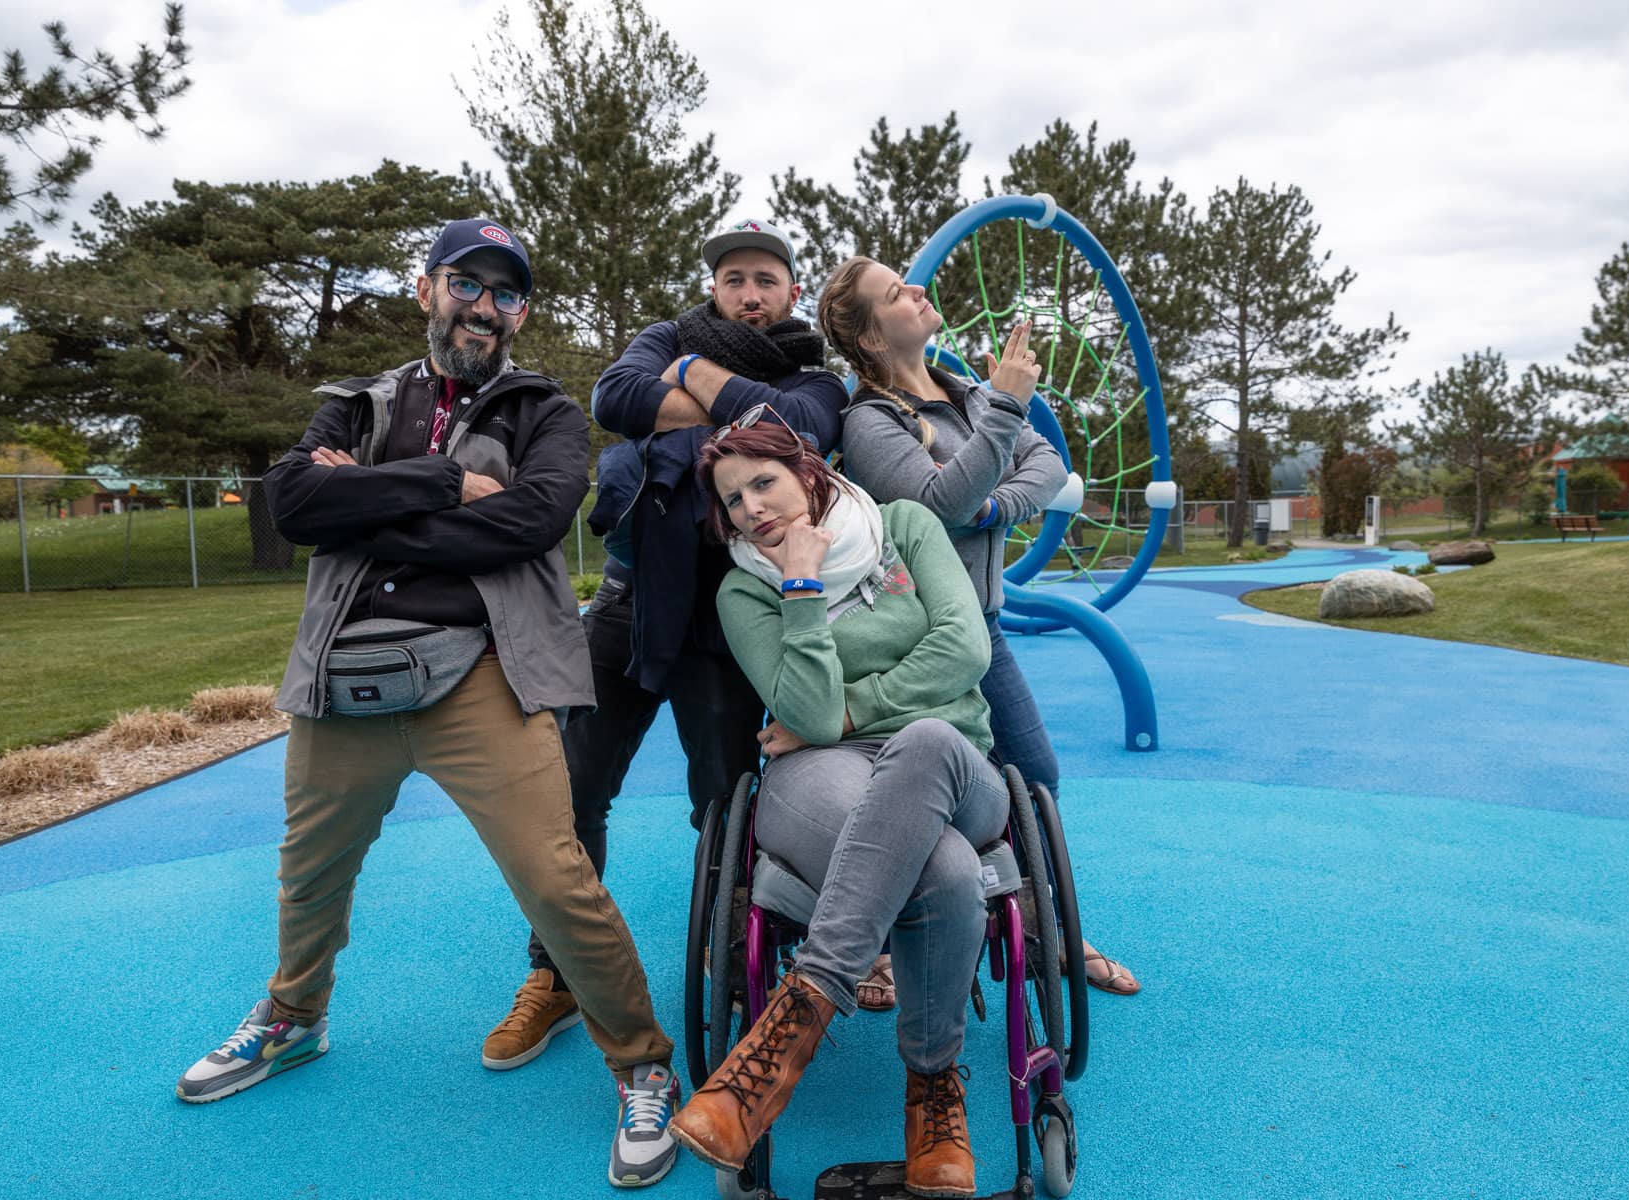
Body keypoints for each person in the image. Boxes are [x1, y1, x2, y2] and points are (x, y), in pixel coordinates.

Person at [174, 219, 682, 1190]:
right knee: (311, 876)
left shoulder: (548, 412)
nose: (486, 306)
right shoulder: (356, 404)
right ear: (426, 290)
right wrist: (449, 483)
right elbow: (293, 505)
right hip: (344, 680)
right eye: (468, 283)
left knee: (555, 875)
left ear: (522, 312)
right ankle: (295, 1020)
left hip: (483, 676)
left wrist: (367, 512)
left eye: (508, 293)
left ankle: (641, 1064)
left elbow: (533, 520)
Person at [480, 220, 848, 1074]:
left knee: (724, 806)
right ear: (713, 288)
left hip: (731, 618)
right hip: (627, 605)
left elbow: (792, 426)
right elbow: (614, 399)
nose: (748, 294)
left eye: (765, 278)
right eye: (733, 280)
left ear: (791, 290)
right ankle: (558, 976)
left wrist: (682, 384)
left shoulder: (815, 376)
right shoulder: (660, 337)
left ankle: (732, 967)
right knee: (570, 796)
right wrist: (716, 396)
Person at [667, 410, 1007, 1199]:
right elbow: (810, 719)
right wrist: (802, 586)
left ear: (809, 473)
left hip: (955, 763)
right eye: (734, 499)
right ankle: (932, 1094)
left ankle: (789, 1030)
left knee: (923, 742)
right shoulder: (744, 593)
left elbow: (965, 649)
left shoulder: (906, 527)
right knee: (948, 871)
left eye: (764, 482)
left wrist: (857, 711)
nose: (751, 507)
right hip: (825, 776)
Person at [818, 254, 1140, 1002]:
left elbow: (1046, 468)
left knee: (1035, 778)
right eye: (897, 293)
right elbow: (933, 504)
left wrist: (991, 503)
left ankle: (1048, 930)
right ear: (870, 340)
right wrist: (1003, 417)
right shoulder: (870, 421)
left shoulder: (965, 394)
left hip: (982, 625)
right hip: (916, 638)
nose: (919, 290)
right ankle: (881, 939)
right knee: (915, 795)